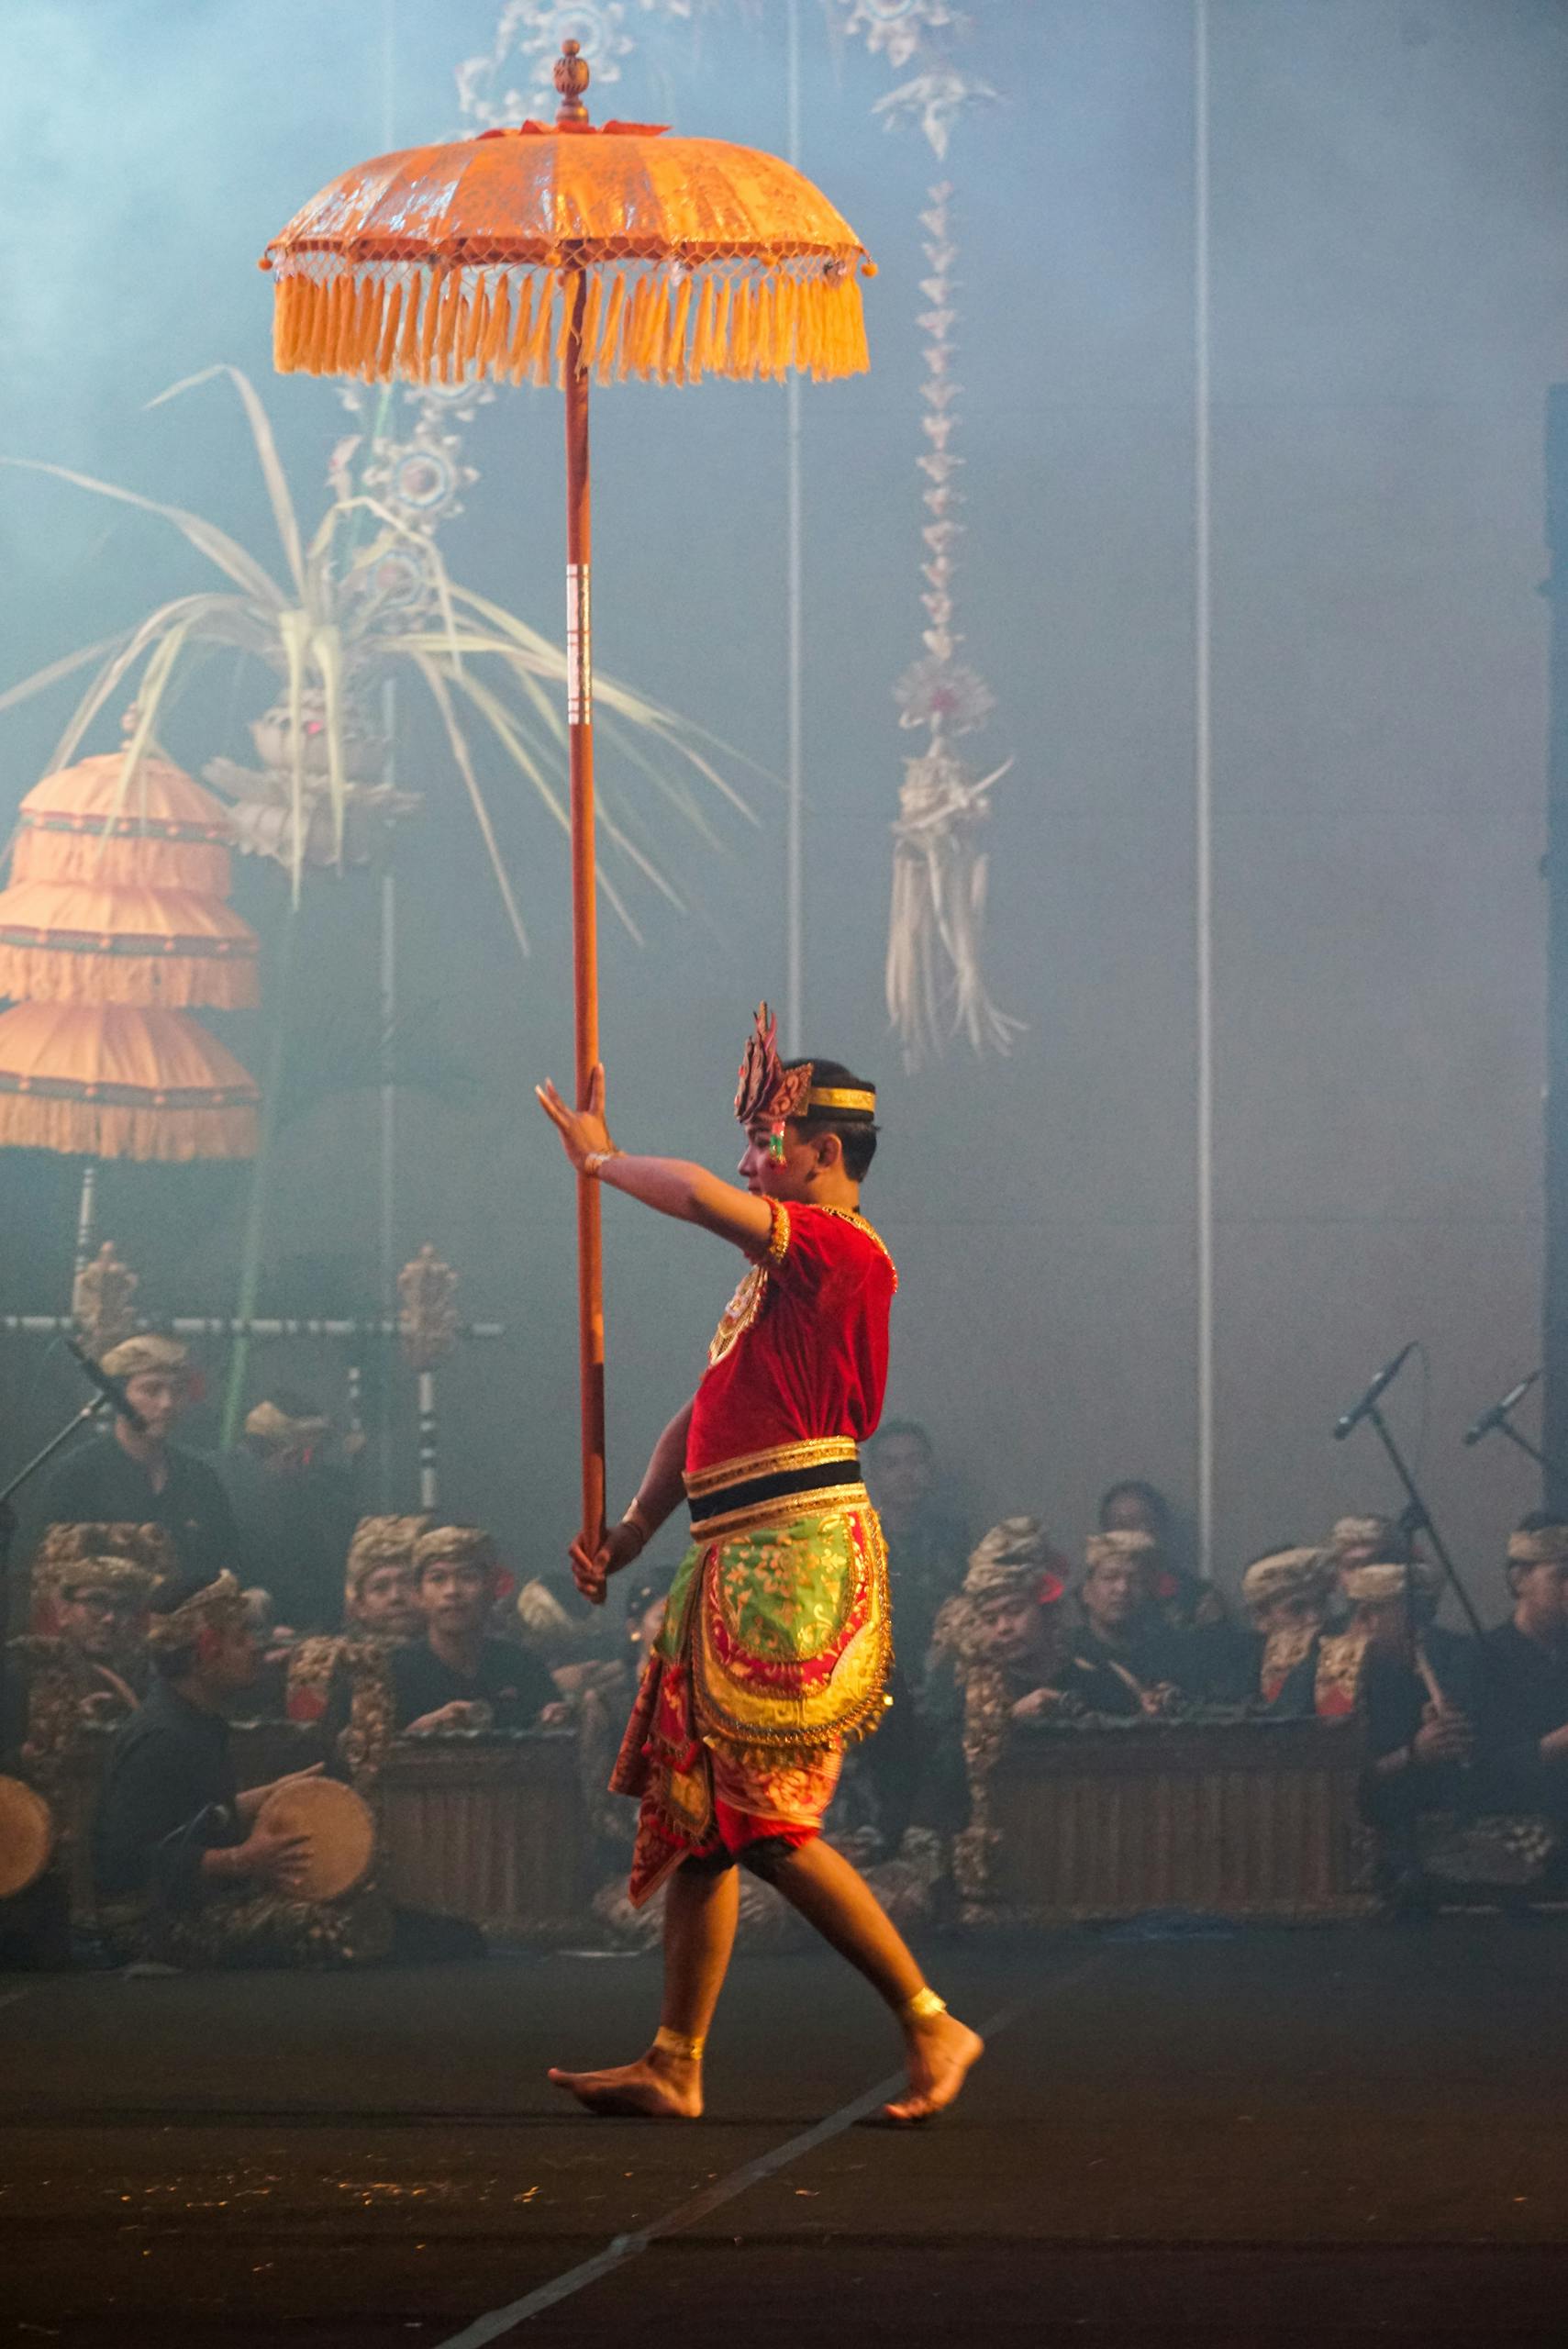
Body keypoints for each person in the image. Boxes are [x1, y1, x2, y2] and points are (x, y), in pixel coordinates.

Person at [534, 1003, 982, 2124]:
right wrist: (632, 1531)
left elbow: (688, 1190)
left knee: (771, 1828)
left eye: (765, 1144)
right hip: (726, 1554)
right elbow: (702, 1419)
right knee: (699, 1824)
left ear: (823, 1153)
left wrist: (601, 1160)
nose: (748, 1162)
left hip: (791, 1556)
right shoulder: (776, 1285)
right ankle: (675, 2059)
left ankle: (933, 2021)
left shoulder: (838, 1251)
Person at [93, 1572, 391, 1966]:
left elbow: (194, 1816)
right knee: (333, 1927)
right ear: (206, 1649)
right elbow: (129, 1860)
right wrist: (240, 1859)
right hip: (148, 1925)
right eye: (240, 1638)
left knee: (369, 1911)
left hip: (193, 1906)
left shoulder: (194, 1719)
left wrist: (269, 1794)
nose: (256, 1647)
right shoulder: (161, 1736)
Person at [39, 1336, 245, 1586]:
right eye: (151, 1390)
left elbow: (231, 1566)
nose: (167, 1403)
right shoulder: (77, 1475)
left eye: (178, 1390)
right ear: (118, 1397)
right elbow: (53, 1577)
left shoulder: (201, 1479)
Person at [284, 1514, 429, 1782]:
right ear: (358, 1604)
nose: (396, 1597)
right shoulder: (334, 1664)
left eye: (406, 1582)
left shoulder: (446, 1655)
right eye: (381, 1587)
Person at [390, 1525, 561, 1735]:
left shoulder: (524, 1666)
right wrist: (417, 1731)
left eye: (467, 1577)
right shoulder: (393, 1672)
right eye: (437, 1578)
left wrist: (554, 1719)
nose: (452, 1591)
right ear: (418, 1594)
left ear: (492, 1589)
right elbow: (361, 1753)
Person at [219, 1393, 361, 1635]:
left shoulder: (326, 1493)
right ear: (291, 1455)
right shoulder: (259, 1498)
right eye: (310, 1455)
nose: (313, 1465)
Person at [1480, 1517, 1568, 1815]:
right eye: (1561, 1575)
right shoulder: (1481, 1656)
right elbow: (1481, 1767)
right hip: (1521, 1828)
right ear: (1520, 1579)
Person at [1067, 1531, 1195, 1714]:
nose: (1122, 1589)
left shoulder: (1173, 1654)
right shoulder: (1066, 1656)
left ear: (1150, 1590)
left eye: (1135, 1579)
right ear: (1086, 1591)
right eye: (1110, 1577)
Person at [1097, 1478, 1225, 1630]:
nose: (1129, 1534)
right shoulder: (1090, 1597)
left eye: (1139, 1522)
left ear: (1160, 1528)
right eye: (1119, 1525)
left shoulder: (1195, 1596)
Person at [1239, 1544, 1335, 1710]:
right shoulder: (1239, 1676)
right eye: (1297, 1609)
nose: (1314, 1618)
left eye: (1320, 1603)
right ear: (1261, 1618)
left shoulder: (1341, 1666)